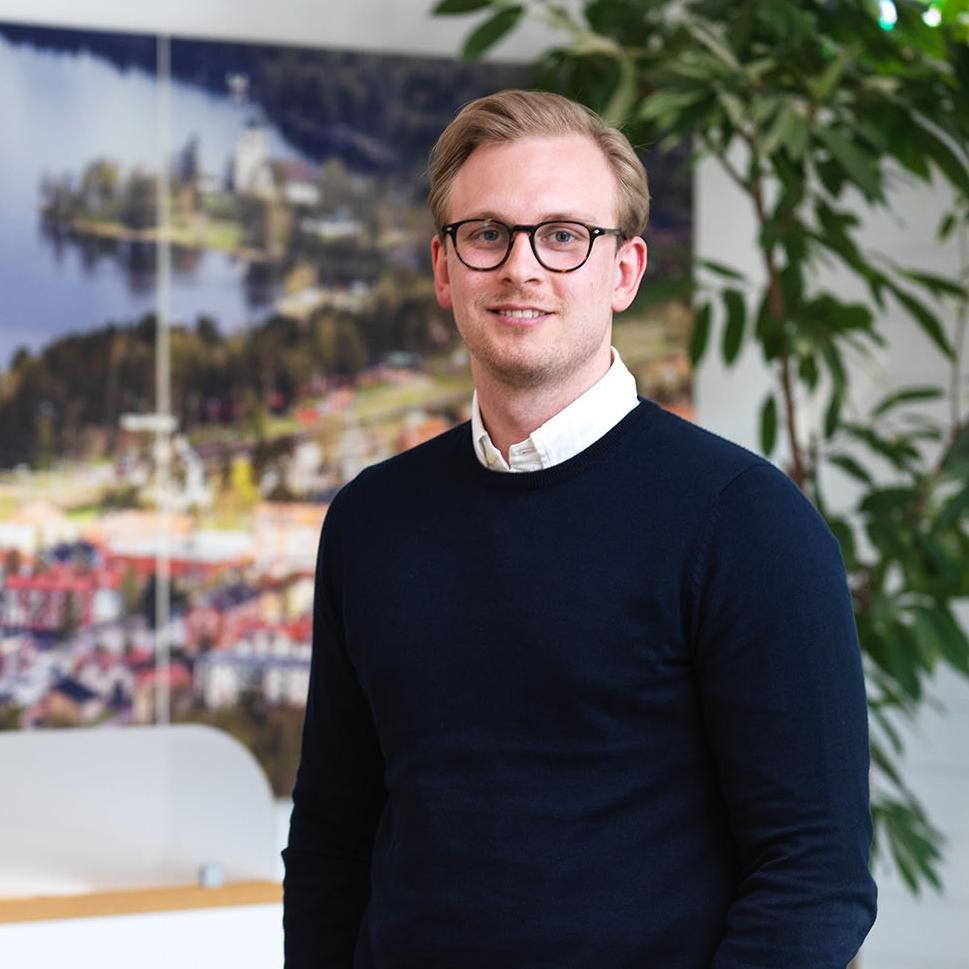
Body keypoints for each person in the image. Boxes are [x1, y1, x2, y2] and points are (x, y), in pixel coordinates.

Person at [283, 89, 877, 968]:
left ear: (624, 271)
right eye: (486, 233)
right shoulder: (373, 517)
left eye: (563, 236)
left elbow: (814, 875)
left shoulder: (745, 522)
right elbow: (333, 834)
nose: (521, 267)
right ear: (444, 269)